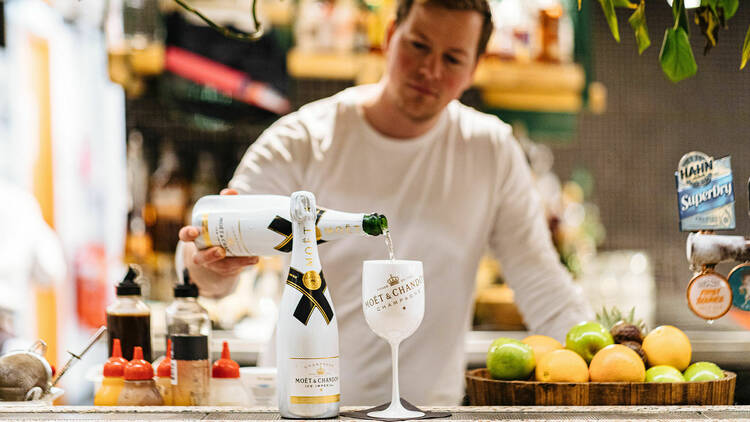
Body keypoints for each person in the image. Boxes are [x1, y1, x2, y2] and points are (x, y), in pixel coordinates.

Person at [179, 0, 592, 405]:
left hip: (428, 413)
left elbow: (542, 285)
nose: (429, 70)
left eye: (452, 58)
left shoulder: (491, 151)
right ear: (391, 36)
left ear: (474, 68)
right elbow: (211, 256)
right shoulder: (304, 139)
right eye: (418, 45)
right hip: (309, 409)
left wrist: (608, 359)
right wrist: (208, 267)